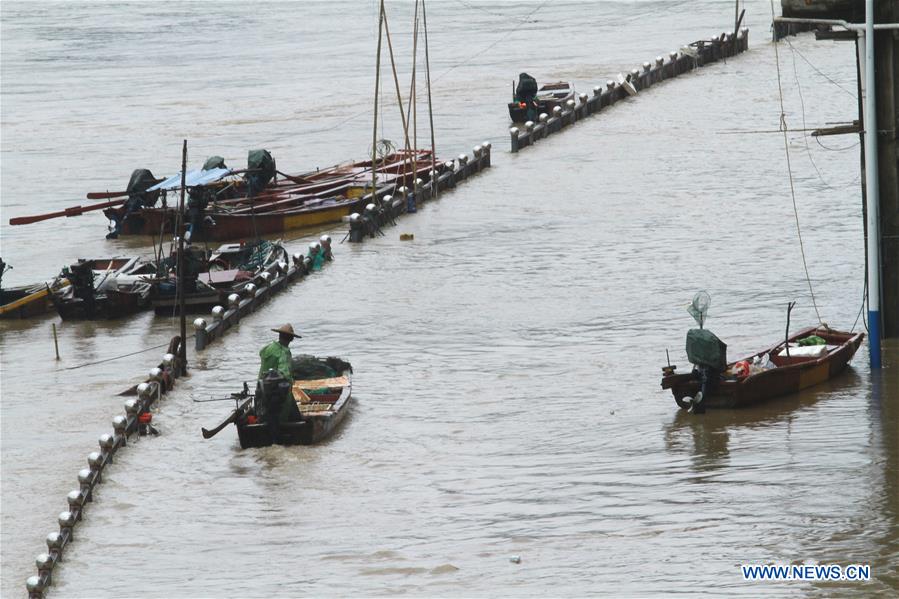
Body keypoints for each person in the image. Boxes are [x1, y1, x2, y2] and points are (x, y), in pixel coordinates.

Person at [258, 323, 303, 441]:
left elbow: (262, 355)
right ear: (291, 339)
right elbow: (285, 374)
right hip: (277, 392)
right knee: (283, 414)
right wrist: (291, 381)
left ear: (279, 336)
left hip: (262, 388)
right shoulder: (284, 352)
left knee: (265, 413)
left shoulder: (268, 348)